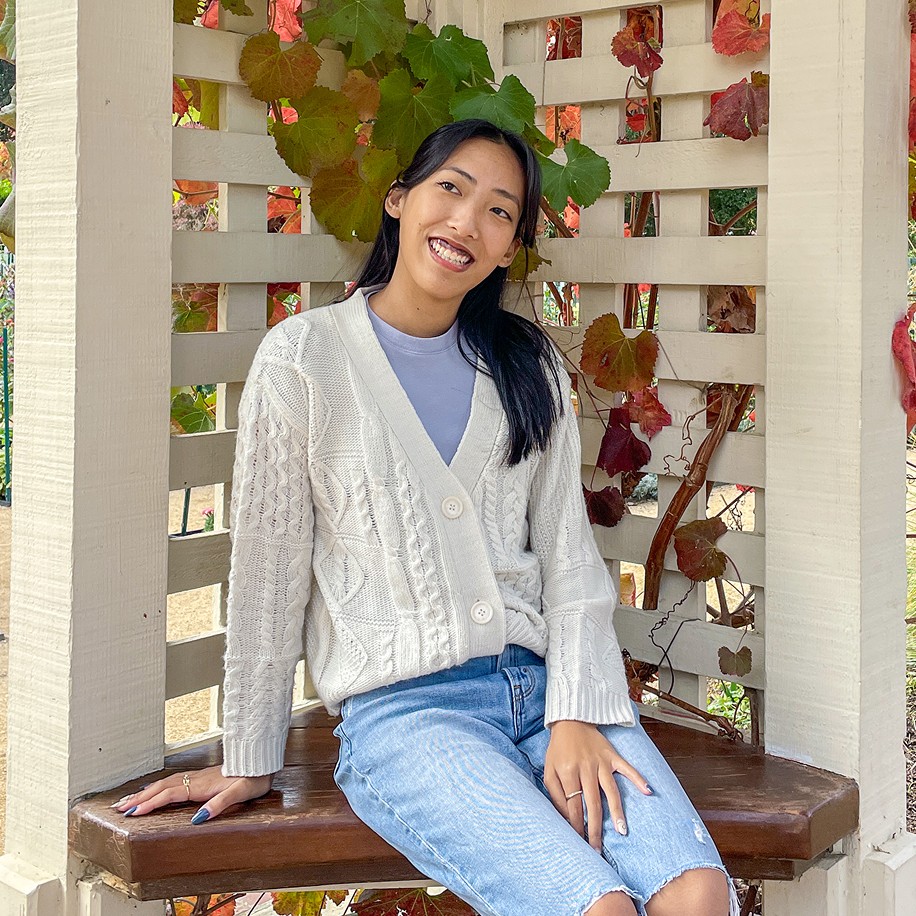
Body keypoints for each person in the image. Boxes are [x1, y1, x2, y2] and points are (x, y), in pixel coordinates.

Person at [112, 119, 739, 916]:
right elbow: (268, 576)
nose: (468, 222)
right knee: (600, 910)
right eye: (451, 189)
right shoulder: (303, 360)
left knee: (697, 894)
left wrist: (577, 709)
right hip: (409, 719)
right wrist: (250, 754)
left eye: (500, 211)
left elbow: (568, 557)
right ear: (399, 201)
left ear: (511, 248)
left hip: (546, 695)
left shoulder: (528, 364)